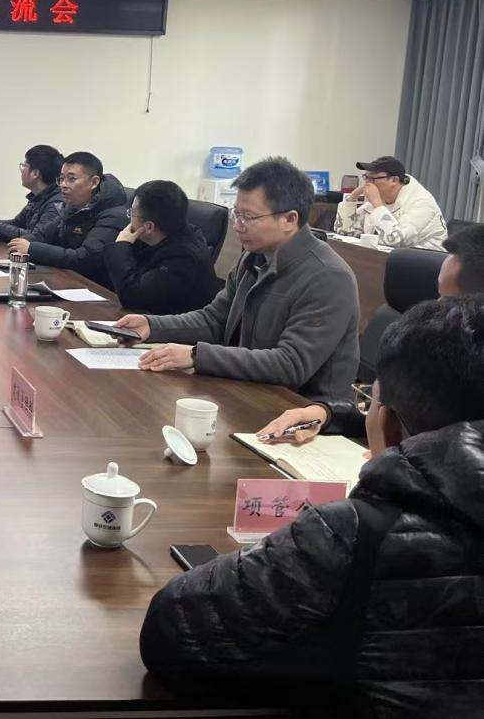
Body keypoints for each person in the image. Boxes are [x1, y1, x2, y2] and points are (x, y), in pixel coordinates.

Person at [140, 297, 484, 715]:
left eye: (368, 401)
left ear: (389, 425)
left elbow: (170, 632)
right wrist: (328, 411)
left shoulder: (356, 533)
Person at [116, 157, 359, 403]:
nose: (237, 226)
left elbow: (291, 364)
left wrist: (196, 355)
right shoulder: (253, 258)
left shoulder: (328, 276)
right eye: (236, 214)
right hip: (249, 391)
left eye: (248, 217)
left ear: (289, 219)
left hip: (302, 410)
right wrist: (152, 325)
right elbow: (214, 320)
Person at [258, 222, 484, 443]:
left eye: (448, 300)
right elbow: (397, 407)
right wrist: (325, 414)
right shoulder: (446, 347)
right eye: (438, 295)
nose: (436, 308)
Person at [6, 151, 127, 287]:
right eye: (61, 178)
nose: (63, 185)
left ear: (94, 182)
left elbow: (85, 259)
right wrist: (23, 243)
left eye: (71, 179)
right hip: (68, 281)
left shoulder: (113, 215)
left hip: (97, 290)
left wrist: (31, 249)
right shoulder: (72, 207)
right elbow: (42, 235)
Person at [103, 180, 219, 314]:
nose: (129, 218)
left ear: (149, 226)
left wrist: (121, 246)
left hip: (175, 325)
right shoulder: (163, 234)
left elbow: (133, 297)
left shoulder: (183, 258)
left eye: (131, 213)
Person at [334, 155, 447, 250]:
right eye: (366, 177)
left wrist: (378, 205)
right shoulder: (378, 199)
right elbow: (344, 232)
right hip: (389, 259)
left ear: (394, 180)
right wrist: (352, 198)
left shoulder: (421, 203)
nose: (368, 183)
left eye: (373, 179)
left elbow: (394, 240)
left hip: (425, 263)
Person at [0, 144, 64, 242]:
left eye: (25, 165)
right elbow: (17, 223)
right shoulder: (38, 197)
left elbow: (37, 236)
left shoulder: (56, 203)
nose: (22, 170)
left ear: (35, 174)